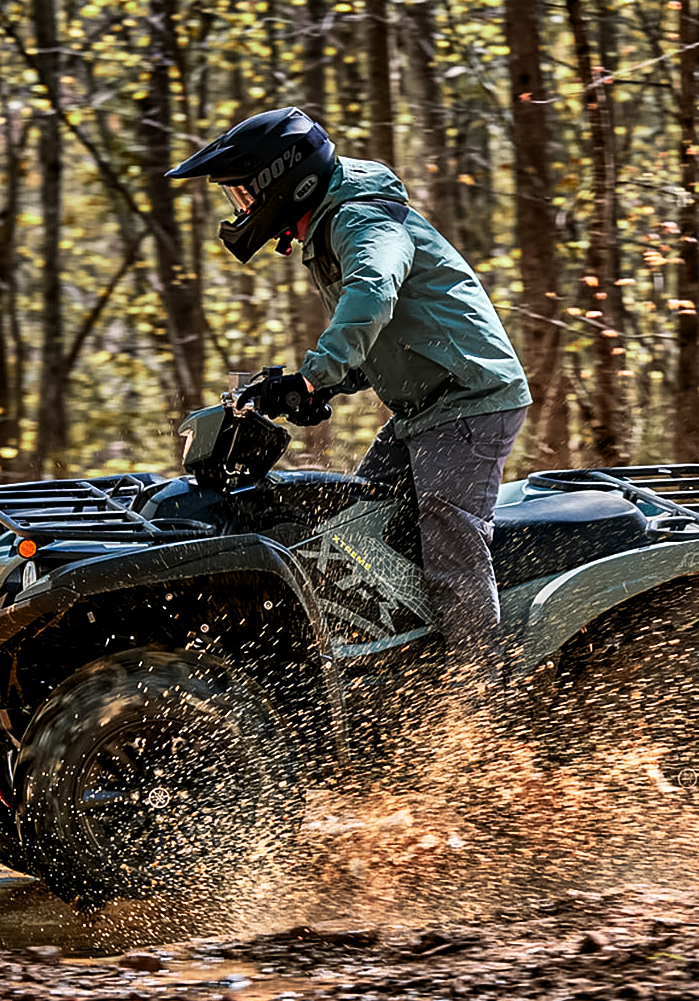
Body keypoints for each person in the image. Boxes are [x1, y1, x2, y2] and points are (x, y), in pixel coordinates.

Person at [166, 107, 532, 691]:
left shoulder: (362, 220)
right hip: (426, 406)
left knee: (449, 536)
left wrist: (316, 374)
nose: (240, 211)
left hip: (469, 397)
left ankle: (482, 698)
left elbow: (373, 292)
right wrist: (310, 387)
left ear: (281, 180)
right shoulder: (334, 222)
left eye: (242, 195)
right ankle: (403, 671)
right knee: (360, 526)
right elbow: (391, 336)